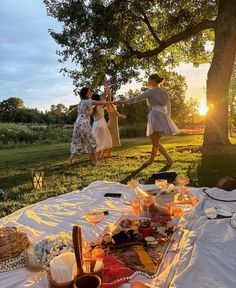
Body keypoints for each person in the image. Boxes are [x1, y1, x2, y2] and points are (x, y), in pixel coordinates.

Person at [116, 74, 179, 166]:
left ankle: (169, 160)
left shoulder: (149, 92)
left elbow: (135, 99)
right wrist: (167, 118)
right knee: (156, 141)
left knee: (155, 142)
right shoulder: (164, 92)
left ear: (153, 81)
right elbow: (168, 106)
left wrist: (122, 102)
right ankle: (151, 160)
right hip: (163, 116)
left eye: (149, 80)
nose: (148, 82)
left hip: (155, 115)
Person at [68, 87, 114, 165]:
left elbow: (100, 101)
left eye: (91, 92)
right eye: (89, 92)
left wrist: (106, 91)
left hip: (77, 124)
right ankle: (95, 161)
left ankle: (70, 160)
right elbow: (101, 102)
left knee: (77, 141)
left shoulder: (81, 102)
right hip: (84, 124)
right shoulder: (88, 101)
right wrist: (113, 101)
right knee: (92, 142)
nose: (91, 93)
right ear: (85, 94)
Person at [105, 83, 127, 157]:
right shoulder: (109, 105)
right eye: (113, 98)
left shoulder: (113, 107)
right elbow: (109, 97)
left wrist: (122, 116)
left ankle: (108, 153)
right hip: (111, 124)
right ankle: (104, 153)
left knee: (113, 138)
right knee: (110, 139)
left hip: (114, 123)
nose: (114, 99)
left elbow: (117, 114)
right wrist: (108, 88)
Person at [91, 93, 113, 159]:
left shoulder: (92, 107)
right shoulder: (100, 105)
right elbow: (105, 97)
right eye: (100, 98)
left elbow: (104, 97)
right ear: (98, 99)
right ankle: (99, 156)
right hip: (101, 124)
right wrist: (107, 89)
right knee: (103, 140)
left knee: (96, 140)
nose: (101, 98)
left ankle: (93, 156)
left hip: (95, 125)